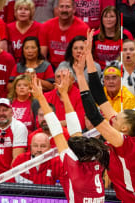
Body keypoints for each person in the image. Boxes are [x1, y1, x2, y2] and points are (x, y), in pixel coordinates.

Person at [75, 29, 135, 202]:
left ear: (124, 128)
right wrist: (89, 55)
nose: (113, 118)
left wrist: (80, 76)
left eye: (117, 118)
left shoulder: (126, 144)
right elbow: (100, 97)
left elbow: (94, 115)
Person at [31, 69, 109, 202]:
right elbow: (76, 134)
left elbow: (56, 131)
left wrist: (41, 99)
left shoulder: (74, 164)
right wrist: (64, 94)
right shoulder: (96, 160)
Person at [39, 0, 89, 68]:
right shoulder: (46, 26)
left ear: (74, 9)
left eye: (67, 7)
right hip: (51, 67)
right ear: (57, 9)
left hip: (75, 66)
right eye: (61, 6)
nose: (64, 10)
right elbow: (43, 56)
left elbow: (86, 54)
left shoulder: (83, 28)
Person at [93, 6, 134, 70]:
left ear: (117, 19)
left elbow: (132, 56)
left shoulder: (125, 35)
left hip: (120, 70)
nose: (108, 19)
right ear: (101, 20)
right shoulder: (94, 35)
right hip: (99, 70)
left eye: (112, 16)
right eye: (105, 16)